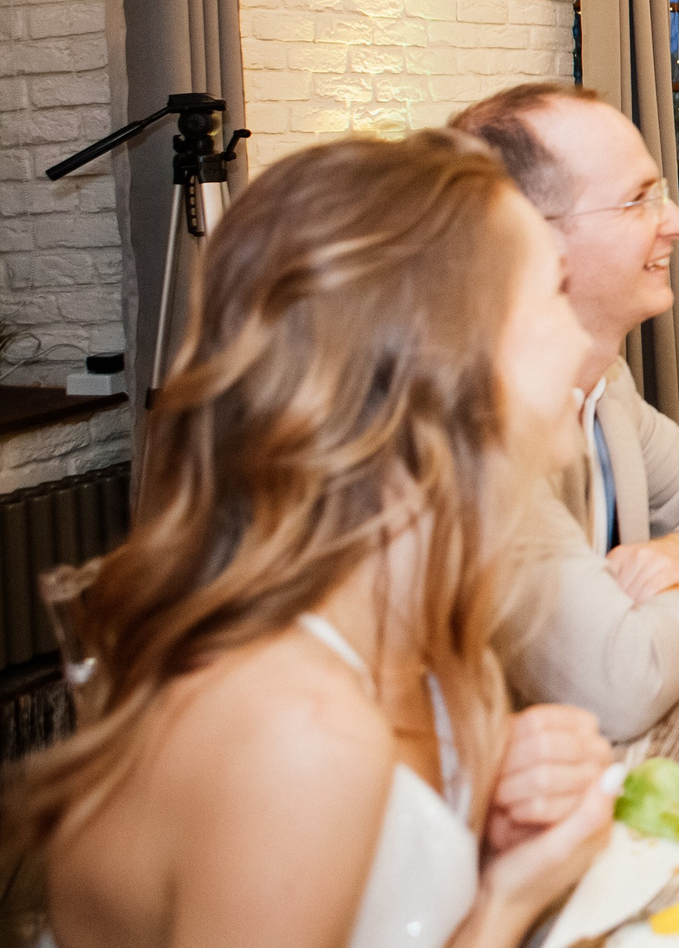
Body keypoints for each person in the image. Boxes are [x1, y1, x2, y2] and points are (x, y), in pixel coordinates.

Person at [11, 133, 618, 948]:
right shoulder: (297, 737)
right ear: (440, 370)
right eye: (554, 292)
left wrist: (485, 849)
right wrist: (506, 903)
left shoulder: (447, 652)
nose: (583, 336)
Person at [451, 83, 679, 742]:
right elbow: (622, 681)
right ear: (530, 238)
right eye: (638, 199)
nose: (678, 222)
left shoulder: (607, 384)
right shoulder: (478, 431)